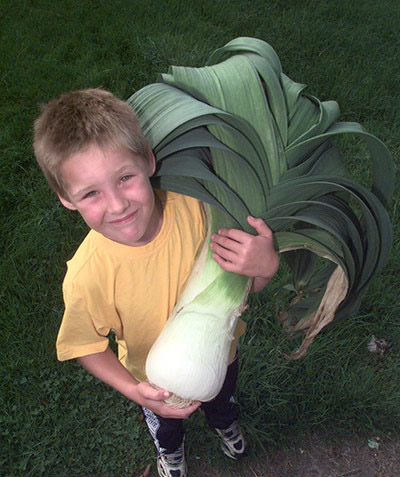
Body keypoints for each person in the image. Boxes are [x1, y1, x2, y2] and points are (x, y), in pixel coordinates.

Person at [33, 88, 279, 477]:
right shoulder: (87, 276)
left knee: (222, 398)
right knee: (166, 423)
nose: (117, 205)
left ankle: (223, 423)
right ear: (66, 198)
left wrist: (265, 268)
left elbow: (237, 293)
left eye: (125, 178)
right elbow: (85, 346)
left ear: (148, 160)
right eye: (91, 193)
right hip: (151, 379)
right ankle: (170, 451)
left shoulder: (200, 211)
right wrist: (134, 390)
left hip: (222, 354)